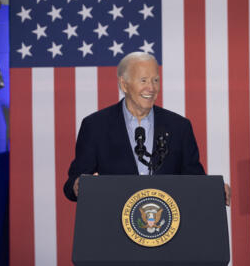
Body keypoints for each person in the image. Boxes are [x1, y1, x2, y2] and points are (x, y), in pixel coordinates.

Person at [64, 52, 231, 205]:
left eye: (155, 80)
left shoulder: (179, 127)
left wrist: (214, 191)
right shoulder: (95, 126)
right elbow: (73, 182)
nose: (151, 88)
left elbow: (194, 180)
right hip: (113, 226)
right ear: (124, 84)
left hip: (166, 227)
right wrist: (78, 185)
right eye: (143, 80)